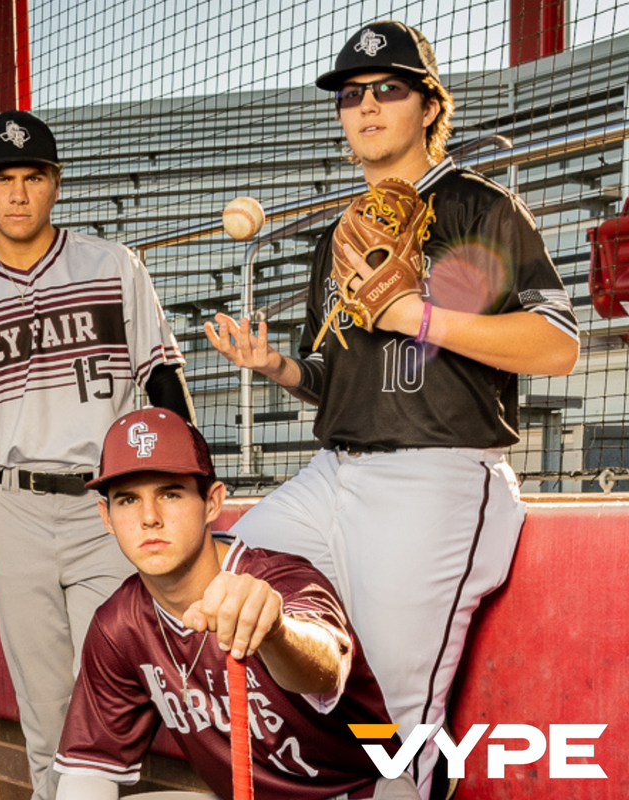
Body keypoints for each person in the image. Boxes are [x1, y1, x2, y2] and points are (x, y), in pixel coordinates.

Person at [203, 21, 579, 798]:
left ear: (430, 106)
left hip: (434, 478)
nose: (366, 106)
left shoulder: (481, 207)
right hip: (333, 471)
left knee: (400, 721)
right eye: (350, 95)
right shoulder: (338, 236)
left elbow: (557, 343)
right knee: (219, 577)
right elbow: (333, 375)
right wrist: (275, 366)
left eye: (389, 89)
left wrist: (416, 314)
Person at [0, 110, 192, 799]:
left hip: (106, 507)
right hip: (16, 511)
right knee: (44, 710)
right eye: (4, 179)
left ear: (56, 184)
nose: (20, 193)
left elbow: (163, 385)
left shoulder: (112, 266)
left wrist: (177, 494)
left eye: (34, 177)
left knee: (111, 700)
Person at [52, 407, 419, 800]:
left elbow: (326, 669)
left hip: (360, 790)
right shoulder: (118, 624)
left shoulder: (282, 578)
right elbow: (91, 767)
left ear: (212, 502)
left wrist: (277, 630)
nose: (149, 518)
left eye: (170, 494)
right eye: (127, 500)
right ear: (106, 516)